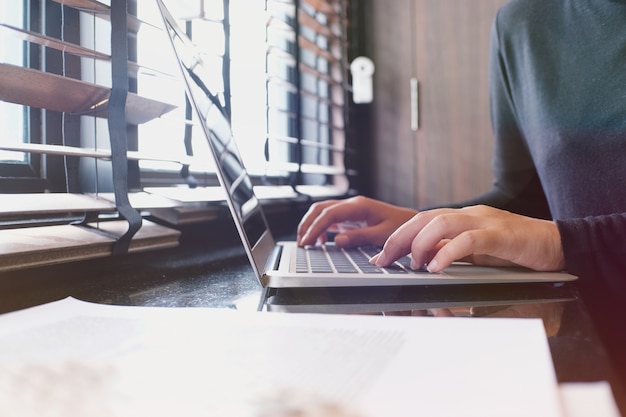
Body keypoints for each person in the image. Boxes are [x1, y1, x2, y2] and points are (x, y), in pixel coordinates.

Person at [297, 0, 626, 395]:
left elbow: (550, 234)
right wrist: (423, 223)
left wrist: (562, 244)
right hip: (582, 343)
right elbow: (525, 198)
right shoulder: (520, 22)